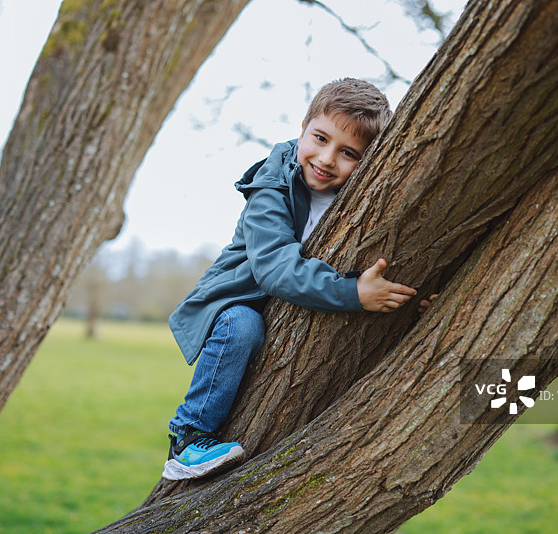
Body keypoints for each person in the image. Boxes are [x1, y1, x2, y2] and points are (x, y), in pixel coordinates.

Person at [162, 78, 429, 481]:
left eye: (348, 153)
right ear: (303, 128)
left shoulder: (361, 196)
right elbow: (273, 267)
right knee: (242, 325)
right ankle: (188, 436)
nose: (327, 158)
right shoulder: (271, 183)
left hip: (290, 307)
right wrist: (352, 292)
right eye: (320, 138)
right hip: (239, 301)